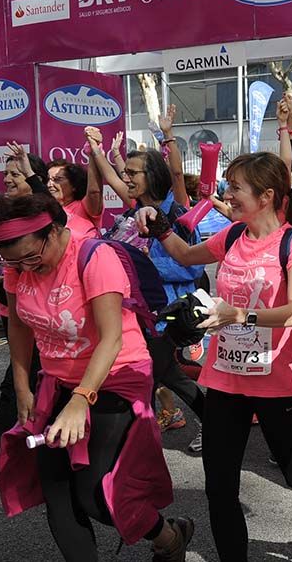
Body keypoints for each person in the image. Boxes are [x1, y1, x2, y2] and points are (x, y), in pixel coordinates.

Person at [136, 152, 292, 561]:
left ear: (266, 195)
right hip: (225, 380)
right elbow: (184, 255)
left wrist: (239, 315)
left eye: (236, 188)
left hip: (278, 383)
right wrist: (157, 224)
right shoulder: (232, 236)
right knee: (219, 487)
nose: (227, 195)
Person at [0, 193, 192, 561]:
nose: (26, 268)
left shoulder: (94, 257)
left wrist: (81, 399)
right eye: (14, 261)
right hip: (57, 382)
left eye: (32, 257)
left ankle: (168, 535)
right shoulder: (18, 265)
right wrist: (22, 387)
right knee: (57, 491)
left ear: (53, 232)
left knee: (98, 495)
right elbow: (18, 325)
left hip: (116, 376)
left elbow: (112, 338)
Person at [113, 148, 207, 440]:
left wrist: (147, 262)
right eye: (124, 172)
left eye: (132, 172)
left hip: (168, 316)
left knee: (153, 378)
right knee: (163, 376)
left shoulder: (177, 215)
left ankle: (136, 440)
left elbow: (192, 267)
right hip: (140, 315)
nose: (124, 177)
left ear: (152, 176)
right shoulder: (129, 216)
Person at [0, 145, 49, 486]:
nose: (7, 179)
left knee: (17, 387)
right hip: (12, 314)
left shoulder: (44, 217)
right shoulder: (0, 212)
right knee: (23, 384)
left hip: (42, 316)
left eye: (15, 173)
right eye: (5, 173)